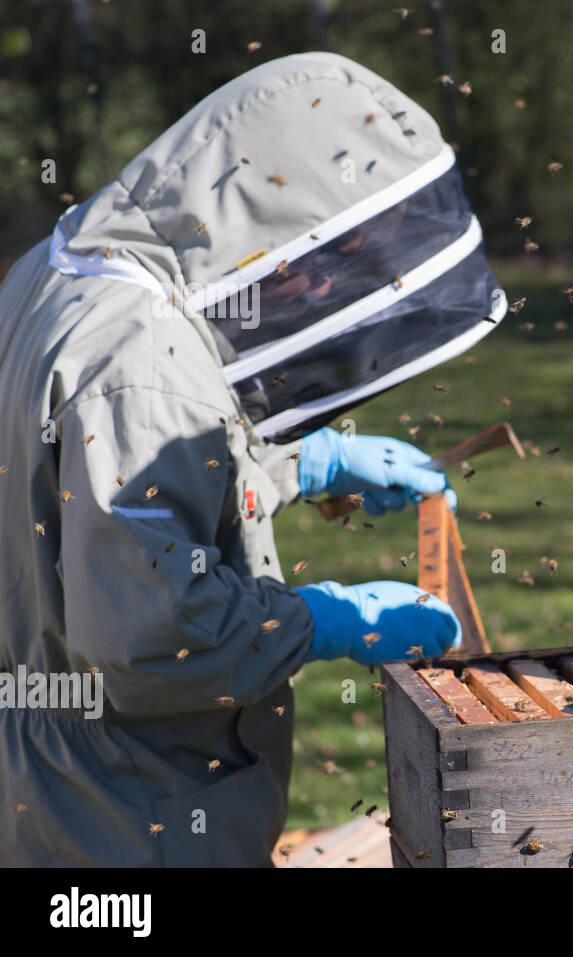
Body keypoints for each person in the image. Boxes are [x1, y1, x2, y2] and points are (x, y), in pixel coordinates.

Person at [0, 53, 506, 865]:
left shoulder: (71, 272)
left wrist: (302, 462)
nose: (314, 289)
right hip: (132, 808)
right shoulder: (143, 368)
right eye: (321, 264)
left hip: (60, 778)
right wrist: (327, 620)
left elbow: (91, 500)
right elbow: (154, 635)